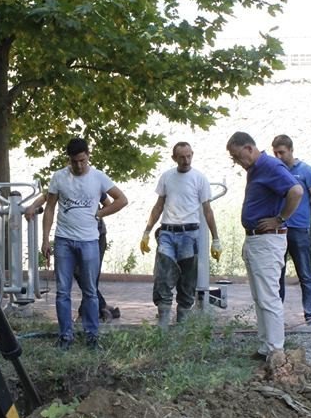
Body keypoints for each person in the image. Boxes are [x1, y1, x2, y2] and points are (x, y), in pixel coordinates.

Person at [40, 138, 128, 349]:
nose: (79, 165)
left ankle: (92, 336)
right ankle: (65, 336)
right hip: (63, 240)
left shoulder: (98, 177)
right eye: (74, 161)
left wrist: (99, 213)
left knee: (90, 290)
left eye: (82, 160)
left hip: (89, 241)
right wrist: (45, 238)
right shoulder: (59, 177)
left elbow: (121, 200)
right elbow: (50, 207)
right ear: (68, 159)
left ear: (88, 155)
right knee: (62, 291)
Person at [226, 132, 303, 359]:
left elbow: (296, 191)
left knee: (268, 296)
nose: (238, 162)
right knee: (260, 296)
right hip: (256, 240)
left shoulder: (269, 165)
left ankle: (276, 350)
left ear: (249, 148)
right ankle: (266, 346)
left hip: (268, 241)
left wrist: (280, 218)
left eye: (238, 156)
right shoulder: (256, 170)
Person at [140, 142, 222, 327]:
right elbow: (159, 205)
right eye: (181, 157)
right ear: (174, 158)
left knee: (187, 280)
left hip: (190, 233)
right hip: (168, 232)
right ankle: (162, 325)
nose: (186, 160)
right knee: (163, 277)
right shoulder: (167, 177)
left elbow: (207, 210)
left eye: (188, 156)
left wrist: (215, 239)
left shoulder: (199, 178)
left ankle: (182, 327)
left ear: (192, 154)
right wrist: (147, 231)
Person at [26, 192, 119, 322]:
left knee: (91, 276)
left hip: (95, 236)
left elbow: (109, 204)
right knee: (78, 273)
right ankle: (101, 306)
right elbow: (46, 196)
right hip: (70, 237)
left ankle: (88, 312)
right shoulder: (64, 182)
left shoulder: (93, 181)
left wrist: (96, 216)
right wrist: (32, 206)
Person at [271, 135, 311, 325]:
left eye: (281, 152)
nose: (278, 156)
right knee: (277, 274)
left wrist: (306, 213)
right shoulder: (275, 171)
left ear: (291, 150)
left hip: (299, 229)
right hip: (278, 229)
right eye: (275, 153)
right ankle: (276, 316)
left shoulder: (306, 171)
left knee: (305, 273)